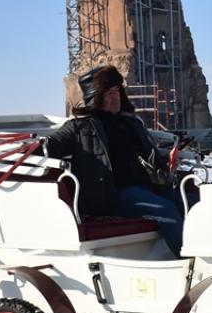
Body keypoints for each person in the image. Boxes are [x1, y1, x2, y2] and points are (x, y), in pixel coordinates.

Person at [43, 65, 190, 255]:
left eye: (117, 90)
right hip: (113, 194)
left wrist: (167, 158)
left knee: (194, 201)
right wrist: (33, 148)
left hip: (150, 187)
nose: (116, 96)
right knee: (166, 209)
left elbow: (144, 155)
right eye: (109, 92)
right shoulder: (81, 127)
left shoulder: (131, 123)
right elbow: (51, 145)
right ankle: (191, 263)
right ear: (96, 97)